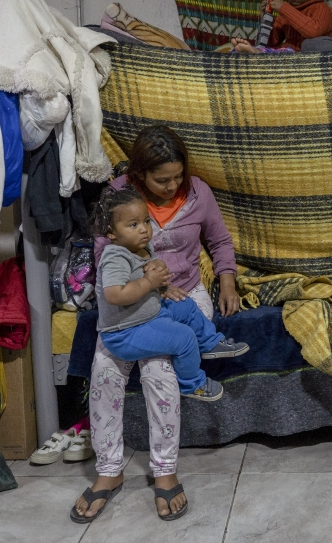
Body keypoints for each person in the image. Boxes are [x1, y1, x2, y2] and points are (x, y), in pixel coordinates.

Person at [73, 185, 245, 525]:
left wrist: (164, 287)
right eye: (134, 225)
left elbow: (150, 273)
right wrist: (152, 283)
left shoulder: (143, 241)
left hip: (150, 314)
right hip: (123, 330)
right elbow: (116, 292)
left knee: (167, 357)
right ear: (112, 232)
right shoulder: (113, 250)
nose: (144, 229)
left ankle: (164, 469)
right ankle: (109, 470)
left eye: (145, 223)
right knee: (107, 373)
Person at [98, 124, 241, 320]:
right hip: (135, 292)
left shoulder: (198, 193)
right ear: (140, 173)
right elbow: (103, 253)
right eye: (162, 180)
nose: (172, 186)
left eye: (179, 176)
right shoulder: (118, 197)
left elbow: (220, 241)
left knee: (191, 336)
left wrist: (228, 286)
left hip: (187, 291)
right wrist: (150, 285)